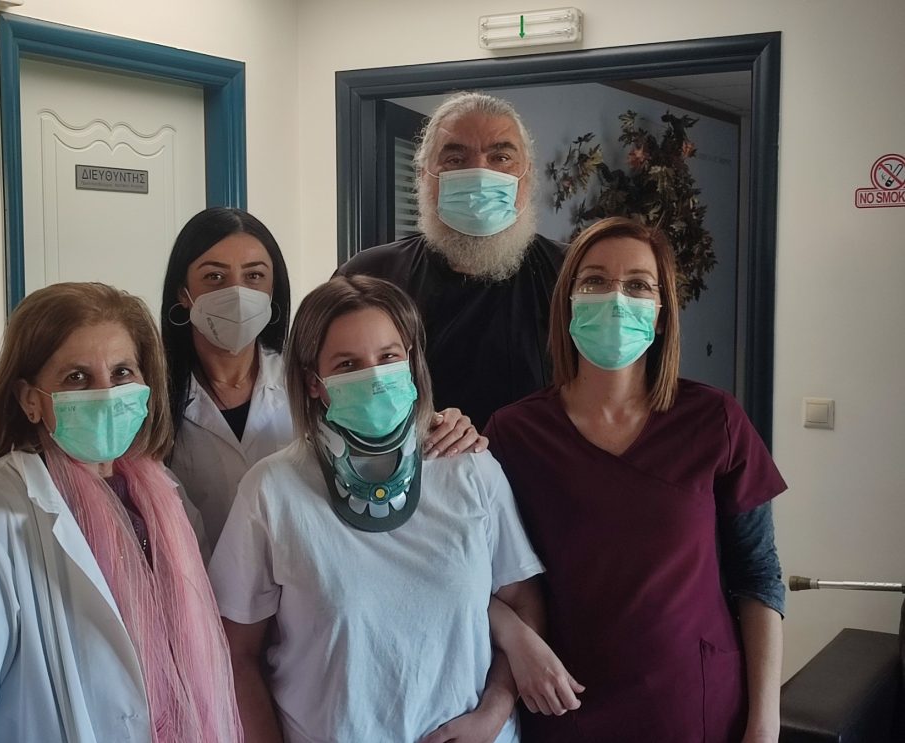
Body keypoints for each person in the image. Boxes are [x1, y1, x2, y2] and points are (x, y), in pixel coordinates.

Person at [210, 275, 571, 743]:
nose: (376, 378)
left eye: (388, 357)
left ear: (412, 362)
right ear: (314, 382)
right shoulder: (272, 491)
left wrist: (494, 713)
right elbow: (237, 654)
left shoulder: (470, 469)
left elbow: (522, 601)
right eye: (348, 364)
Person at [484, 217, 786, 742]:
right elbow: (470, 575)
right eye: (594, 281)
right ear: (567, 304)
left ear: (662, 315)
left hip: (695, 706)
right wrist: (515, 639)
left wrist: (765, 723)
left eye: (639, 285)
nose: (616, 298)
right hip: (565, 703)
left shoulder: (714, 421)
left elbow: (758, 576)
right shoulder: (515, 434)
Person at [0, 283, 242, 743]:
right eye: (76, 377)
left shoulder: (162, 494)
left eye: (122, 372)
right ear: (30, 399)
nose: (106, 394)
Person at [163, 207, 486, 553]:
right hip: (197, 578)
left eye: (254, 275)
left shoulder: (320, 382)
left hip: (308, 569)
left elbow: (381, 432)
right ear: (183, 292)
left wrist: (442, 426)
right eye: (214, 277)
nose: (238, 293)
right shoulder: (157, 398)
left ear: (273, 289)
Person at [337, 91, 565, 430]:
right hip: (409, 461)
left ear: (527, 176)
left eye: (501, 157)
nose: (480, 174)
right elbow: (333, 385)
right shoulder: (370, 276)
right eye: (456, 159)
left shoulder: (570, 273)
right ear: (423, 175)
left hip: (535, 462)